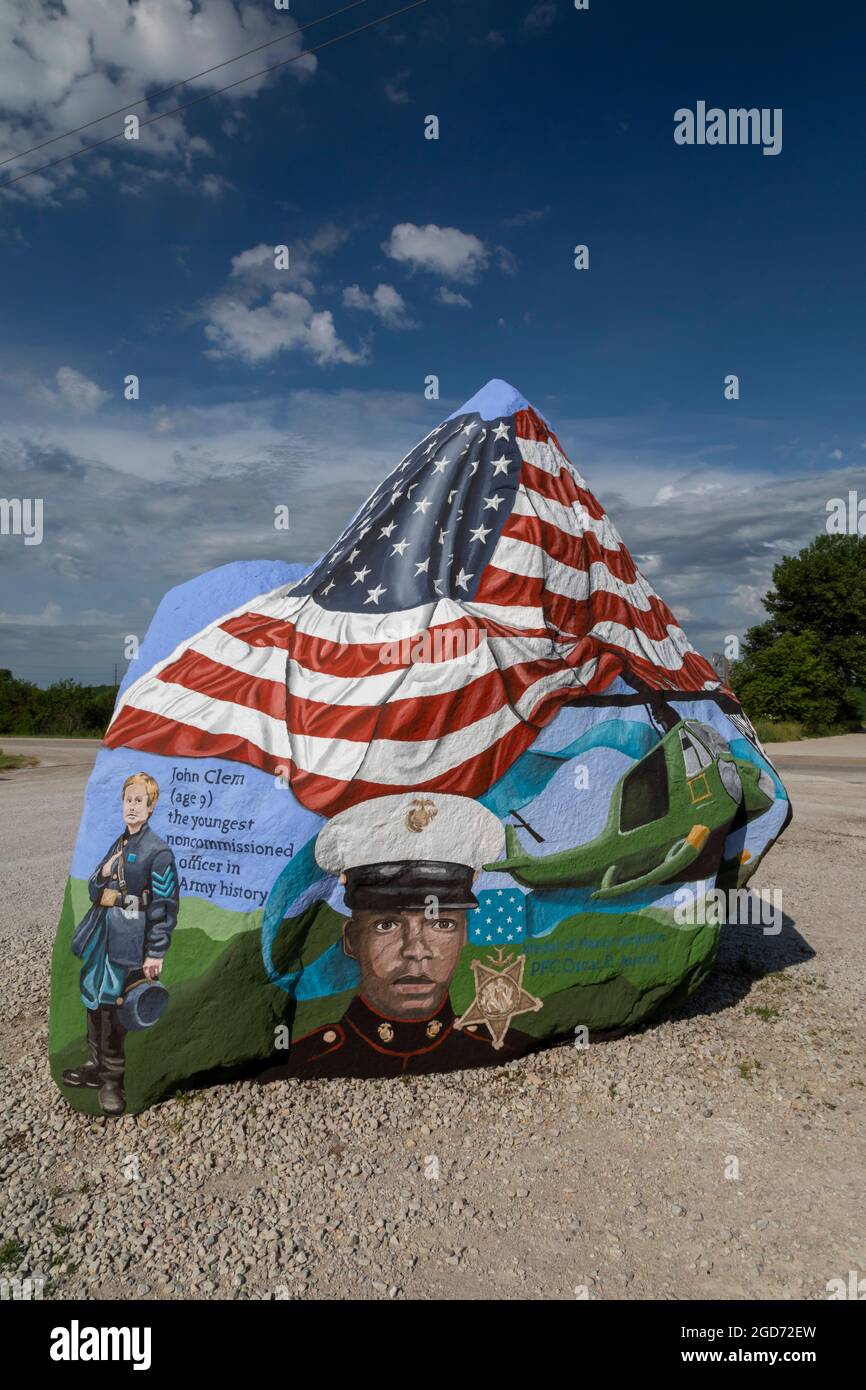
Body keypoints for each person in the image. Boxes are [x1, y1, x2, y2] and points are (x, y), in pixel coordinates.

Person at [258, 793, 540, 1081]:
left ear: (464, 934)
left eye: (441, 923)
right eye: (387, 924)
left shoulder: (502, 1047)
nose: (416, 950)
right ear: (352, 940)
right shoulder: (306, 1063)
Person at [62, 772, 179, 1115]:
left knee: (114, 1007)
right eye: (128, 799)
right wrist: (103, 874)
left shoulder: (157, 852)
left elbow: (165, 904)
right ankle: (95, 1067)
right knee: (94, 1000)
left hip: (129, 939)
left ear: (151, 806)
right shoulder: (120, 843)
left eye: (139, 800)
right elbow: (95, 892)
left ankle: (112, 1080)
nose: (132, 806)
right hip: (103, 935)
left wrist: (155, 951)